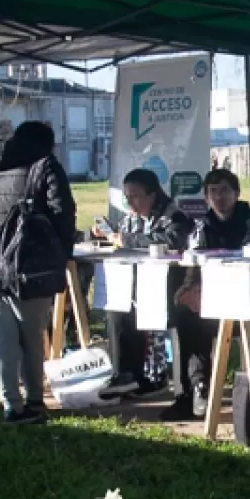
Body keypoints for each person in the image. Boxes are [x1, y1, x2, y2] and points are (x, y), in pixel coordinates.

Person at [0, 121, 76, 425]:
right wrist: (60, 253)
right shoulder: (45, 167)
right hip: (30, 265)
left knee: (1, 341)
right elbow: (62, 214)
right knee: (31, 337)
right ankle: (35, 401)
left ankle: (11, 406)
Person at [165, 169, 250, 420]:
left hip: (249, 298)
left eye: (224, 190)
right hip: (213, 298)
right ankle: (194, 390)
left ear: (236, 193)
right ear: (206, 197)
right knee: (185, 318)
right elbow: (193, 265)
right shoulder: (200, 226)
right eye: (213, 191)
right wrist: (190, 290)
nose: (219, 197)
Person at [98, 168, 193, 398]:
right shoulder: (132, 217)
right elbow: (120, 235)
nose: (130, 203)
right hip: (139, 287)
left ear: (153, 194)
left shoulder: (175, 215)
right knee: (117, 308)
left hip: (171, 290)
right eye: (127, 197)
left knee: (136, 309)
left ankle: (150, 377)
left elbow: (173, 240)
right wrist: (100, 235)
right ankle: (126, 375)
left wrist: (127, 240)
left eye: (135, 196)